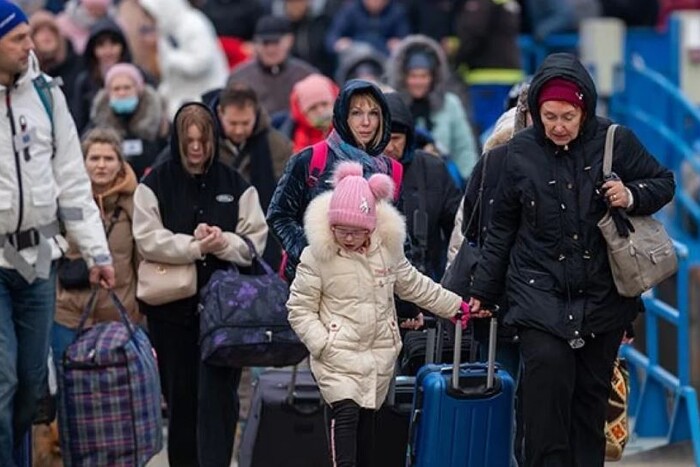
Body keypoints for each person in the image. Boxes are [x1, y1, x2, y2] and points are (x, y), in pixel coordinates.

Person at [468, 53, 675, 467]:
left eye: (568, 116)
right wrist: (481, 293)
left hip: (601, 298)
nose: (558, 126)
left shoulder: (616, 139)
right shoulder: (519, 153)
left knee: (588, 407)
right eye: (549, 116)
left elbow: (663, 183)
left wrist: (629, 195)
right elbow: (501, 230)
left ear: (584, 110)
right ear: (535, 113)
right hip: (537, 293)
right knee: (545, 400)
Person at [287, 161, 469, 467]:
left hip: (377, 358)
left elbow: (414, 285)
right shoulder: (316, 256)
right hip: (337, 358)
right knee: (344, 422)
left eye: (355, 231)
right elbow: (299, 308)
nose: (347, 237)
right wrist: (322, 343)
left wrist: (454, 306)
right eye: (340, 230)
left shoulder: (387, 252)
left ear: (371, 227)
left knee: (367, 439)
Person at [0, 2, 114, 461]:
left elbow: (72, 179)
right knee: (3, 379)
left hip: (39, 259)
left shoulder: (47, 94)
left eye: (29, 35)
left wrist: (97, 254)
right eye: (17, 39)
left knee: (31, 383)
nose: (30, 45)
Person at [132, 102, 268, 466]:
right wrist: (192, 247)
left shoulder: (235, 183)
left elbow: (255, 240)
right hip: (171, 312)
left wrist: (222, 242)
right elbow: (146, 238)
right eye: (188, 140)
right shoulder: (154, 183)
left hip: (225, 315)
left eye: (202, 141)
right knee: (180, 402)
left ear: (213, 140)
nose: (195, 148)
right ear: (177, 140)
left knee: (220, 402)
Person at [267, 79, 400, 283]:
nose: (366, 122)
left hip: (373, 289)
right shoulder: (310, 159)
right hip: (316, 286)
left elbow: (398, 240)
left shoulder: (391, 170)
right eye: (356, 113)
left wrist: (404, 303)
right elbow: (279, 215)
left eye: (373, 113)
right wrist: (311, 256)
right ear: (342, 116)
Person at [383, 92, 461, 281]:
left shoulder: (432, 169)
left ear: (409, 137)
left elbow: (459, 226)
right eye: (384, 139)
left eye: (396, 138)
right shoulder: (359, 170)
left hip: (427, 280)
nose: (390, 147)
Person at [387, 34, 479, 180]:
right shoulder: (392, 104)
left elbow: (463, 148)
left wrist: (470, 182)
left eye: (424, 76)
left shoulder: (450, 104)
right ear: (403, 77)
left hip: (442, 179)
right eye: (413, 76)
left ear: (433, 77)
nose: (418, 82)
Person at [138, 0, 229, 119]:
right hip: (182, 100)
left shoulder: (193, 23)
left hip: (207, 96)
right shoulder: (165, 30)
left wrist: (171, 59)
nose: (149, 19)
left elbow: (202, 61)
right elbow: (168, 73)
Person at [88, 62, 168, 178]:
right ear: (108, 93)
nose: (122, 93)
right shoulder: (96, 125)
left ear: (139, 89)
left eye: (127, 88)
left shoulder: (159, 123)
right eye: (116, 89)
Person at [227, 15, 317, 116]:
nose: (270, 49)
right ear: (255, 44)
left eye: (276, 42)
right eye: (265, 43)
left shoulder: (306, 75)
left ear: (290, 41)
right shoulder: (240, 78)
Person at [29, 9, 83, 109]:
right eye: (40, 31)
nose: (46, 35)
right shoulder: (27, 72)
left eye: (51, 30)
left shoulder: (76, 64)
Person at [278, 73, 339, 153]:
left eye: (324, 104)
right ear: (302, 113)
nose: (320, 111)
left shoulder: (347, 130)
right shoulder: (295, 138)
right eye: (313, 108)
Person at [325, 0, 410, 56]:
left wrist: (399, 45)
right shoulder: (350, 10)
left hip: (385, 60)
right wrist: (339, 44)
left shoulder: (396, 12)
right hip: (355, 60)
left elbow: (406, 40)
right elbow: (332, 38)